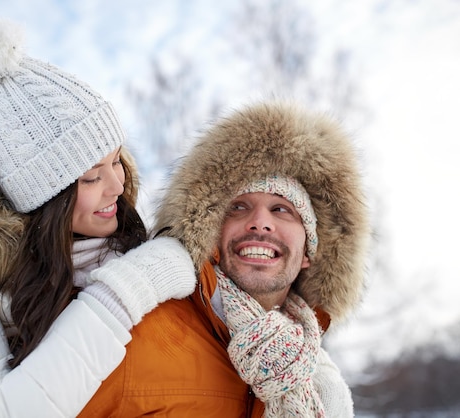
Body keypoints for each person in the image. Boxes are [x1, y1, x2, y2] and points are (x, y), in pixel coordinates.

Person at [0, 16, 196, 418]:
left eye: (116, 161)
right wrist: (122, 293)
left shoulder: (112, 232)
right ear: (44, 199)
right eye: (91, 176)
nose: (116, 186)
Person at [77, 101, 369, 417]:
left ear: (310, 254)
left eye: (281, 209)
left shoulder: (324, 387)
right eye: (238, 207)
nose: (260, 222)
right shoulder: (135, 335)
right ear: (212, 233)